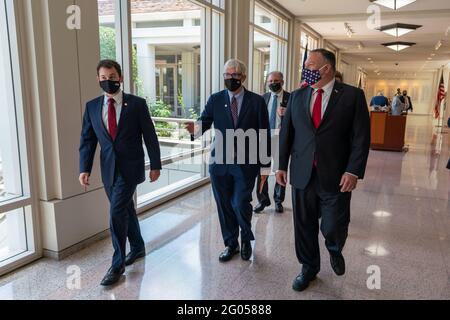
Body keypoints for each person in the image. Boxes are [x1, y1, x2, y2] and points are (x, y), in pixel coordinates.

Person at [276, 49, 370, 292]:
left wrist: (353, 171)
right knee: (303, 224)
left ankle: (334, 247)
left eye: (309, 64)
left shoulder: (352, 96)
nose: (304, 68)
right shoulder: (297, 96)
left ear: (326, 68)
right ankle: (308, 267)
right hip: (302, 173)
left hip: (337, 174)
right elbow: (287, 134)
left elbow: (361, 138)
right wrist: (280, 166)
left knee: (333, 225)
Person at [79, 60, 162, 286]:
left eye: (112, 76)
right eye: (103, 78)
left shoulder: (136, 104)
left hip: (130, 168)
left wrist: (156, 164)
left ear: (121, 77)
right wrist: (84, 168)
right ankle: (137, 246)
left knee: (116, 212)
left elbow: (150, 136)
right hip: (108, 169)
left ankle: (117, 265)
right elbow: (88, 140)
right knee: (125, 208)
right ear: (98, 79)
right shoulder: (92, 107)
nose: (108, 81)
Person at [185, 59, 271, 262]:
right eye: (227, 75)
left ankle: (246, 240)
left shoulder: (256, 101)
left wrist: (265, 168)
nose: (230, 78)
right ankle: (231, 244)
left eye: (235, 75)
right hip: (219, 163)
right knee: (224, 205)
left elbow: (264, 135)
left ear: (243, 77)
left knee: (241, 203)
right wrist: (195, 130)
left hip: (246, 163)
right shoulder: (215, 99)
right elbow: (204, 122)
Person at [254, 71, 290, 214]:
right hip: (264, 139)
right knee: (263, 171)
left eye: (276, 80)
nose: (273, 83)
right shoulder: (263, 98)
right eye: (270, 81)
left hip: (281, 140)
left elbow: (298, 119)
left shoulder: (291, 98)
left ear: (282, 81)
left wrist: (287, 114)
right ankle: (262, 201)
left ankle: (278, 200)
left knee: (280, 170)